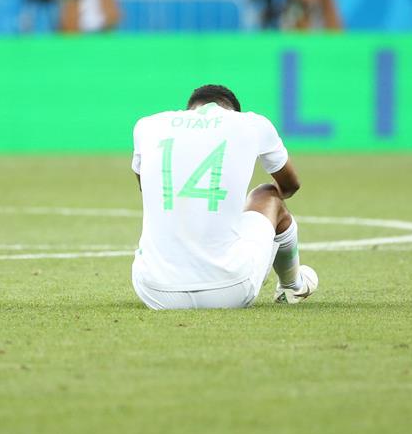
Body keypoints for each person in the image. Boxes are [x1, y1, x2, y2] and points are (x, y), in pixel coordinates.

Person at [130, 85, 318, 310]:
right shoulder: (252, 124)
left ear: (190, 109)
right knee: (268, 194)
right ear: (233, 112)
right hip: (230, 290)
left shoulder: (148, 126)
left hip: (155, 292)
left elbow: (148, 188)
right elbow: (290, 185)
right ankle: (292, 285)